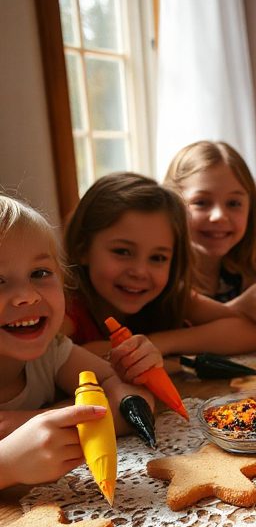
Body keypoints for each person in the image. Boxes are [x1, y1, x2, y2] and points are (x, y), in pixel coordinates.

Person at [0, 194, 154, 490]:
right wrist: (6, 465)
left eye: (39, 273)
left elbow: (134, 400)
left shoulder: (52, 353)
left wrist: (36, 420)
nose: (27, 295)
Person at [61, 172, 256, 374]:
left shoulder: (170, 297)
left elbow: (247, 332)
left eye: (158, 258)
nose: (140, 272)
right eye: (122, 252)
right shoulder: (64, 310)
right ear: (82, 249)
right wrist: (169, 363)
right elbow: (67, 361)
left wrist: (157, 343)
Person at [164, 140, 256, 324]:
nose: (219, 216)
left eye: (233, 203)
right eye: (201, 202)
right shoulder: (163, 277)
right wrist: (239, 310)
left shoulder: (249, 272)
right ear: (173, 205)